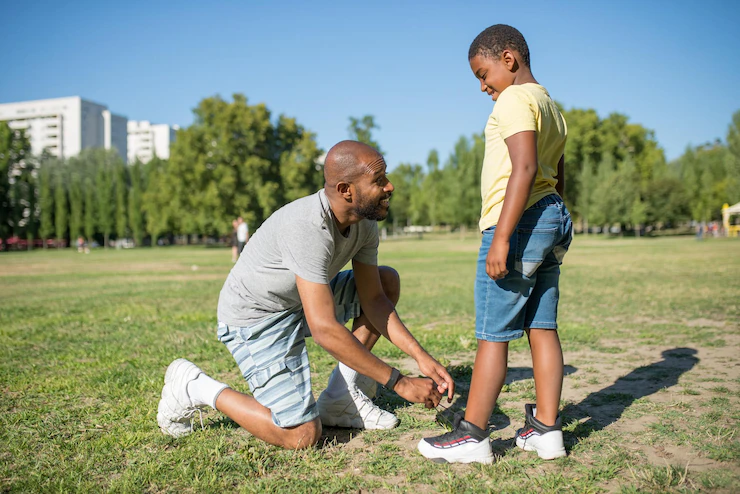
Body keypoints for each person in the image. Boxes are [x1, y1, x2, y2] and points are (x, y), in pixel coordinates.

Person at [157, 140, 455, 449]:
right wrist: (399, 381)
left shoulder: (364, 221)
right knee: (301, 435)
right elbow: (325, 329)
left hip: (300, 302)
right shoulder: (309, 227)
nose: (389, 186)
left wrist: (420, 356)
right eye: (378, 180)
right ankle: (193, 386)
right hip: (256, 319)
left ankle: (340, 398)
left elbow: (375, 300)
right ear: (345, 190)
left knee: (386, 281)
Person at [418, 24, 573, 464]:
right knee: (542, 326)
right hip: (549, 215)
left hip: (518, 222)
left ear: (509, 59)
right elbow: (556, 174)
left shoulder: (514, 99)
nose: (483, 86)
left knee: (493, 332)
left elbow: (523, 169)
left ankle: (473, 435)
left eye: (483, 74)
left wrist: (502, 237)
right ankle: (546, 429)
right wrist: (553, 218)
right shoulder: (550, 104)